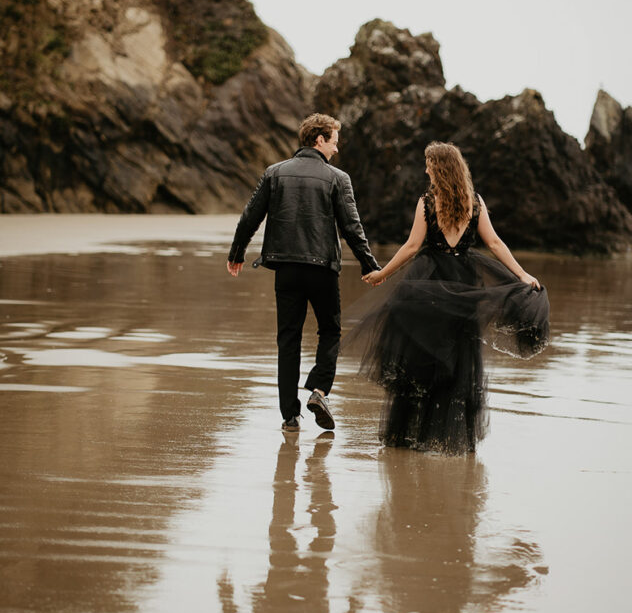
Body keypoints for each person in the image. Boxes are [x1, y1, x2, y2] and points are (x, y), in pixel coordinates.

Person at [347, 141, 550, 454]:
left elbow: (413, 247)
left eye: (429, 164)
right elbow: (494, 243)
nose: (425, 169)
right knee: (458, 361)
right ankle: (448, 437)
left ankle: (414, 436)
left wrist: (382, 274)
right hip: (464, 283)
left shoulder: (428, 202)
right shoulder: (475, 202)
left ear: (438, 168)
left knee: (424, 358)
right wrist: (521, 275)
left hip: (429, 281)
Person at [227, 113, 380, 432]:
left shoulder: (275, 173)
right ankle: (319, 390)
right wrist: (369, 265)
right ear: (319, 139)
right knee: (331, 330)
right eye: (334, 142)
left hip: (286, 270)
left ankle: (289, 415)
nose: (337, 149)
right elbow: (352, 228)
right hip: (322, 269)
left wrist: (237, 253)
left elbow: (249, 217)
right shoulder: (338, 178)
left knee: (288, 339)